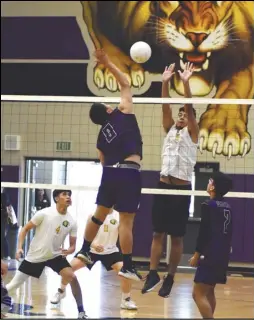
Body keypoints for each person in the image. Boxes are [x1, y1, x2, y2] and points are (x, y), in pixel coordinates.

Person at [76, 49, 143, 281]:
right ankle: (128, 265)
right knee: (127, 221)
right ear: (107, 109)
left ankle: (84, 249)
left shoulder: (101, 137)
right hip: (129, 173)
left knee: (98, 215)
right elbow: (125, 84)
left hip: (110, 174)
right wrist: (107, 63)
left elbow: (103, 162)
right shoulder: (122, 113)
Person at [142, 62, 199, 297]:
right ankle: (153, 272)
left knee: (176, 237)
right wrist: (165, 82)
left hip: (182, 189)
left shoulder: (192, 133)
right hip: (163, 186)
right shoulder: (170, 129)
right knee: (157, 233)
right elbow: (165, 106)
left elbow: (189, 105)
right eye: (180, 114)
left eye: (185, 114)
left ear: (191, 119)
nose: (181, 115)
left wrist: (185, 82)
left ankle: (171, 276)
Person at [5, 190, 86, 319]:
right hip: (35, 256)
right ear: (56, 198)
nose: (68, 197)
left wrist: (69, 250)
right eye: (64, 195)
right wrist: (19, 248)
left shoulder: (72, 221)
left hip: (55, 256)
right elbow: (25, 229)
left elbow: (72, 246)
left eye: (69, 195)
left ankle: (81, 311)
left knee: (72, 277)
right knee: (12, 287)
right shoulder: (44, 213)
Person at [51, 209, 137, 311]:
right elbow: (86, 236)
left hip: (111, 252)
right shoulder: (93, 214)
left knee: (125, 273)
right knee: (67, 269)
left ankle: (126, 300)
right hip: (91, 251)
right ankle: (61, 292)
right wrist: (94, 244)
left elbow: (124, 235)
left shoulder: (118, 216)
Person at [190, 172, 233, 319]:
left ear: (213, 186)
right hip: (223, 253)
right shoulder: (227, 206)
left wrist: (197, 254)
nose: (208, 183)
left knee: (197, 294)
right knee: (209, 291)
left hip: (210, 253)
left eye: (210, 180)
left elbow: (204, 232)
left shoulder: (208, 205)